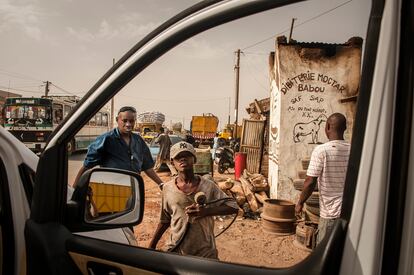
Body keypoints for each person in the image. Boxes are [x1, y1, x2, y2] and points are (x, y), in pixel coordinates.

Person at [149, 141, 238, 259]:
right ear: (172, 162)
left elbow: (233, 206)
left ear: (194, 159)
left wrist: (205, 211)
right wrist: (151, 246)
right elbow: (165, 220)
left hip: (205, 251)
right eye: (178, 157)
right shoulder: (167, 188)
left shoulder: (208, 186)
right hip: (177, 249)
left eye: (187, 156)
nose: (183, 159)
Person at [73, 106, 163, 189]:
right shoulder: (106, 140)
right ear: (117, 120)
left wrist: (161, 184)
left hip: (133, 189)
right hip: (110, 190)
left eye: (131, 121)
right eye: (124, 120)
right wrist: (74, 190)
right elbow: (86, 166)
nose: (128, 124)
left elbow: (147, 167)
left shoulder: (139, 141)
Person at [295, 113, 351, 245]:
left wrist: (300, 202)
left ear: (327, 127)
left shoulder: (321, 151)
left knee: (324, 254)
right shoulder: (353, 150)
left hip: (330, 214)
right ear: (344, 128)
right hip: (349, 213)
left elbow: (310, 182)